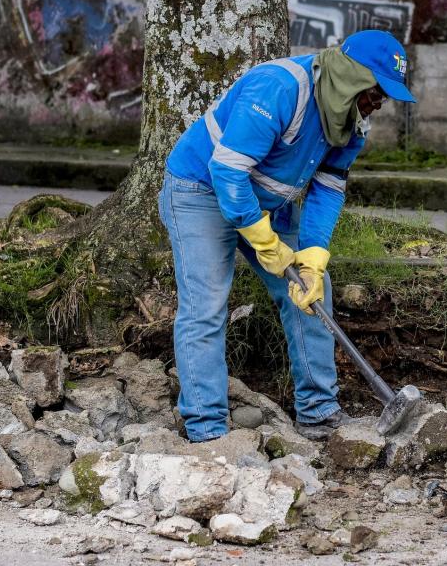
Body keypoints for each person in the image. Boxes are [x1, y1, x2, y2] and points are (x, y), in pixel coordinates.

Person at [158, 30, 415, 442]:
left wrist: (312, 255)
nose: (379, 102)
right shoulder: (279, 88)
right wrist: (262, 239)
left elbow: (327, 191)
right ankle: (207, 430)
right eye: (377, 90)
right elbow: (226, 170)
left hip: (265, 203)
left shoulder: (350, 124)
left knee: (312, 294)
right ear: (351, 77)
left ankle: (318, 413)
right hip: (201, 191)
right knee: (206, 305)